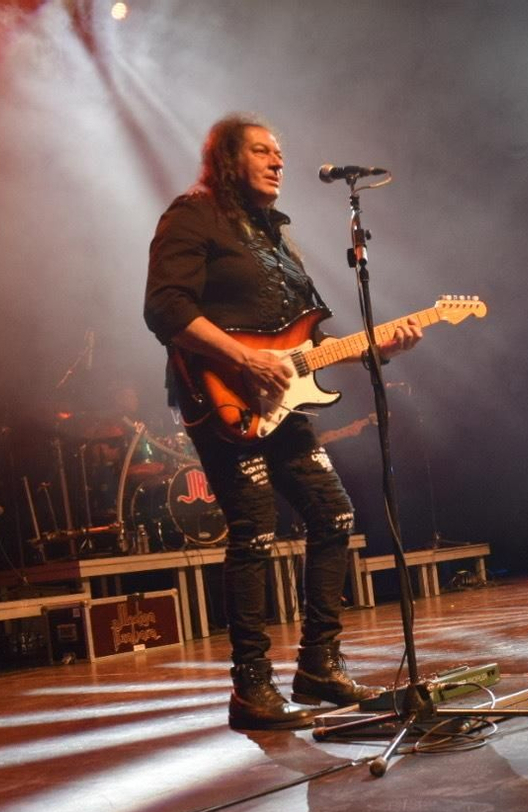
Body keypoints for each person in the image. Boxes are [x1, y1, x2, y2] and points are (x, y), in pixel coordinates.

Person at [144, 113, 422, 731]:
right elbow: (164, 308)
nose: (279, 162)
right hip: (220, 396)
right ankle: (250, 687)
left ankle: (319, 665)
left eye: (280, 153)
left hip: (281, 400)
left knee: (334, 515)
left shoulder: (276, 235)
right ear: (227, 159)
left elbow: (305, 337)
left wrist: (377, 347)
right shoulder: (193, 215)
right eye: (263, 152)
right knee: (255, 527)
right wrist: (243, 357)